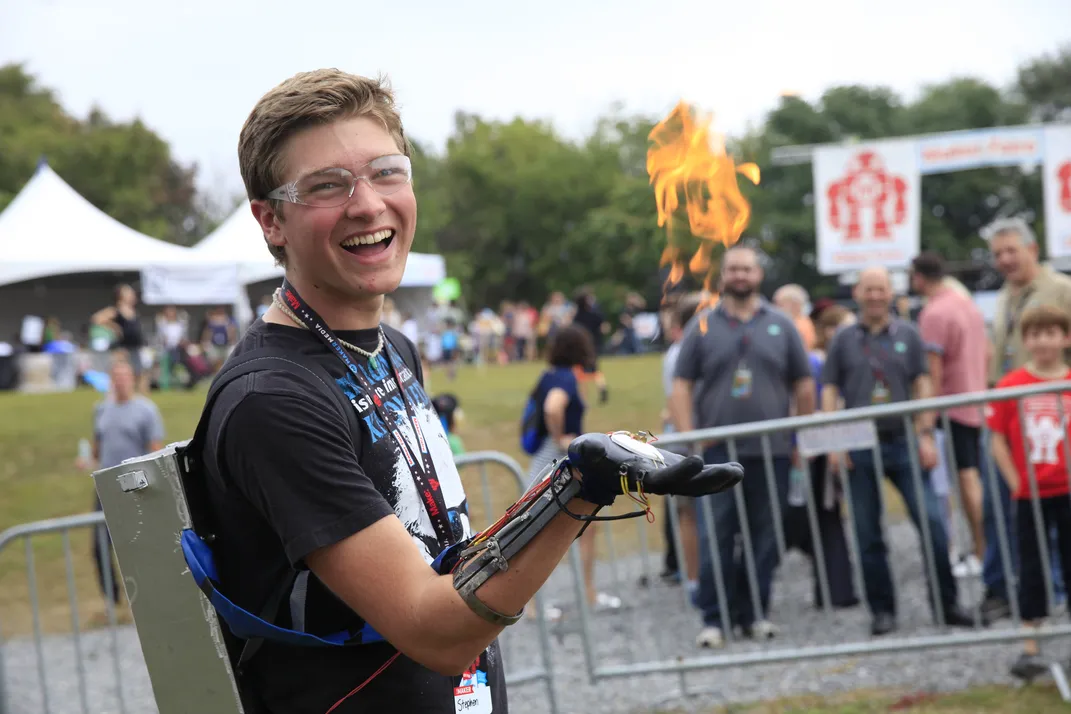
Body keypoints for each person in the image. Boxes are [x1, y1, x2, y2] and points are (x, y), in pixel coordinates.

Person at [189, 70, 742, 713]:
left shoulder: (392, 349)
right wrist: (576, 489)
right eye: (327, 186)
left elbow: (442, 553)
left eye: (387, 172)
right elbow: (435, 628)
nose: (367, 204)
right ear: (271, 221)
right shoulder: (274, 401)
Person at [671, 244, 816, 648]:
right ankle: (714, 620)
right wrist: (689, 438)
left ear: (758, 275)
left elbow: (804, 384)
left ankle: (755, 614)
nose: (739, 275)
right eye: (733, 268)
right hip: (715, 452)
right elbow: (680, 386)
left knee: (765, 537)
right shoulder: (702, 324)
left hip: (770, 453)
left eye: (746, 269)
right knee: (715, 535)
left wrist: (799, 434)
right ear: (723, 276)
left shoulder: (782, 325)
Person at [821, 267, 974, 636]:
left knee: (934, 524)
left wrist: (925, 433)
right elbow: (829, 390)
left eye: (882, 289)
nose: (875, 295)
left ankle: (947, 604)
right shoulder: (843, 339)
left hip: (904, 440)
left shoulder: (909, 333)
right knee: (867, 533)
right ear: (857, 293)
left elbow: (923, 384)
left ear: (892, 293)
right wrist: (833, 442)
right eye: (869, 289)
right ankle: (882, 611)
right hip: (860, 444)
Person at [982, 216, 1071, 622]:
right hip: (1012, 420)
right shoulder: (1004, 296)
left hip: (1054, 416)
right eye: (997, 253)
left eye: (1011, 250)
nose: (1004, 259)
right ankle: (1017, 597)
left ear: (1032, 250)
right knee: (1013, 511)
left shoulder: (1061, 290)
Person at [987, 304, 1071, 681]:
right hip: (1029, 494)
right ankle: (1030, 645)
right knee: (1032, 566)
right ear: (1025, 340)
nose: (1043, 341)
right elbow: (998, 439)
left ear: (1065, 337)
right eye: (1035, 334)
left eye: (1050, 333)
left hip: (1067, 488)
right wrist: (1015, 480)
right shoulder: (1012, 385)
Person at [526, 324, 621, 614]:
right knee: (542, 532)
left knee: (583, 524)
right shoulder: (566, 379)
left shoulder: (549, 375)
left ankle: (587, 593)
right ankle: (532, 604)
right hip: (556, 460)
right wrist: (561, 439)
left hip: (549, 458)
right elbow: (553, 408)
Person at [911, 252, 990, 577]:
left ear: (919, 277)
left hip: (952, 408)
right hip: (976, 401)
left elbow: (932, 371)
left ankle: (982, 551)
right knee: (971, 478)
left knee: (965, 480)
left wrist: (925, 424)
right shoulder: (965, 303)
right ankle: (984, 549)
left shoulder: (934, 312)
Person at [782, 303, 858, 610]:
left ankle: (835, 589)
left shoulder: (814, 365)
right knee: (823, 520)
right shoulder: (816, 363)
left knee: (817, 518)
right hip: (815, 449)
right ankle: (836, 589)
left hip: (813, 451)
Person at [75, 357, 165, 617]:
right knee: (99, 545)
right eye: (116, 377)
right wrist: (87, 459)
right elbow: (98, 445)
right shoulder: (101, 409)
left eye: (125, 377)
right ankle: (112, 602)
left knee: (138, 544)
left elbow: (155, 450)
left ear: (133, 379)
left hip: (134, 487)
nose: (121, 382)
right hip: (105, 488)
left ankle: (148, 598)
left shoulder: (146, 410)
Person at [658, 292, 704, 598]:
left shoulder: (680, 351)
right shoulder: (681, 353)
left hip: (691, 439)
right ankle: (694, 578)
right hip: (690, 443)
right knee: (689, 513)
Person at [91, 284, 147, 392]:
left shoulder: (133, 311)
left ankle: (139, 399)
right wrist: (114, 326)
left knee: (139, 374)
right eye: (128, 292)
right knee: (119, 374)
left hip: (135, 348)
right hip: (122, 349)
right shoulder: (116, 310)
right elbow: (97, 318)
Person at [571, 287, 609, 403]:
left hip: (582, 346)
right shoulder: (595, 314)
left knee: (579, 371)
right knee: (595, 369)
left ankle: (583, 397)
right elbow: (604, 328)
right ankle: (602, 387)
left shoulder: (577, 317)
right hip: (595, 345)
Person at [773, 284, 816, 352]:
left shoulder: (800, 325)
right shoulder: (801, 322)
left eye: (779, 304)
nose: (774, 308)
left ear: (795, 305)